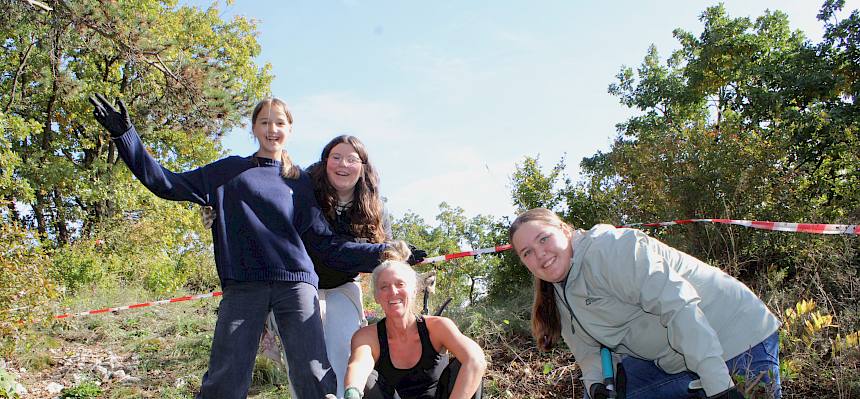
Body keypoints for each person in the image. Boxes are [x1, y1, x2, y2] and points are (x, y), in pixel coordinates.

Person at [89, 94, 393, 399]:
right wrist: (125, 137)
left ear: (290, 130)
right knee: (225, 376)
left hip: (296, 285)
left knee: (313, 373)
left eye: (279, 123)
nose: (272, 129)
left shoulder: (299, 181)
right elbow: (165, 183)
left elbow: (325, 244)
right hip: (244, 285)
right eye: (265, 122)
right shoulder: (228, 172)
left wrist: (386, 253)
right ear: (253, 129)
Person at [509, 208, 781, 399]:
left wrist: (719, 386)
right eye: (527, 253)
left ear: (564, 231)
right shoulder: (558, 292)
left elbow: (679, 306)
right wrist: (596, 388)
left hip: (736, 340)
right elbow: (589, 353)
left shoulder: (610, 249)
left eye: (543, 238)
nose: (540, 254)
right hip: (676, 361)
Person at [342, 242, 486, 399]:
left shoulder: (438, 327)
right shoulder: (366, 336)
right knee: (367, 380)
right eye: (384, 287)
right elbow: (359, 365)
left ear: (413, 290)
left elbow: (476, 359)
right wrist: (352, 391)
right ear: (376, 296)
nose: (393, 292)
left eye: (400, 284)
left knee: (465, 366)